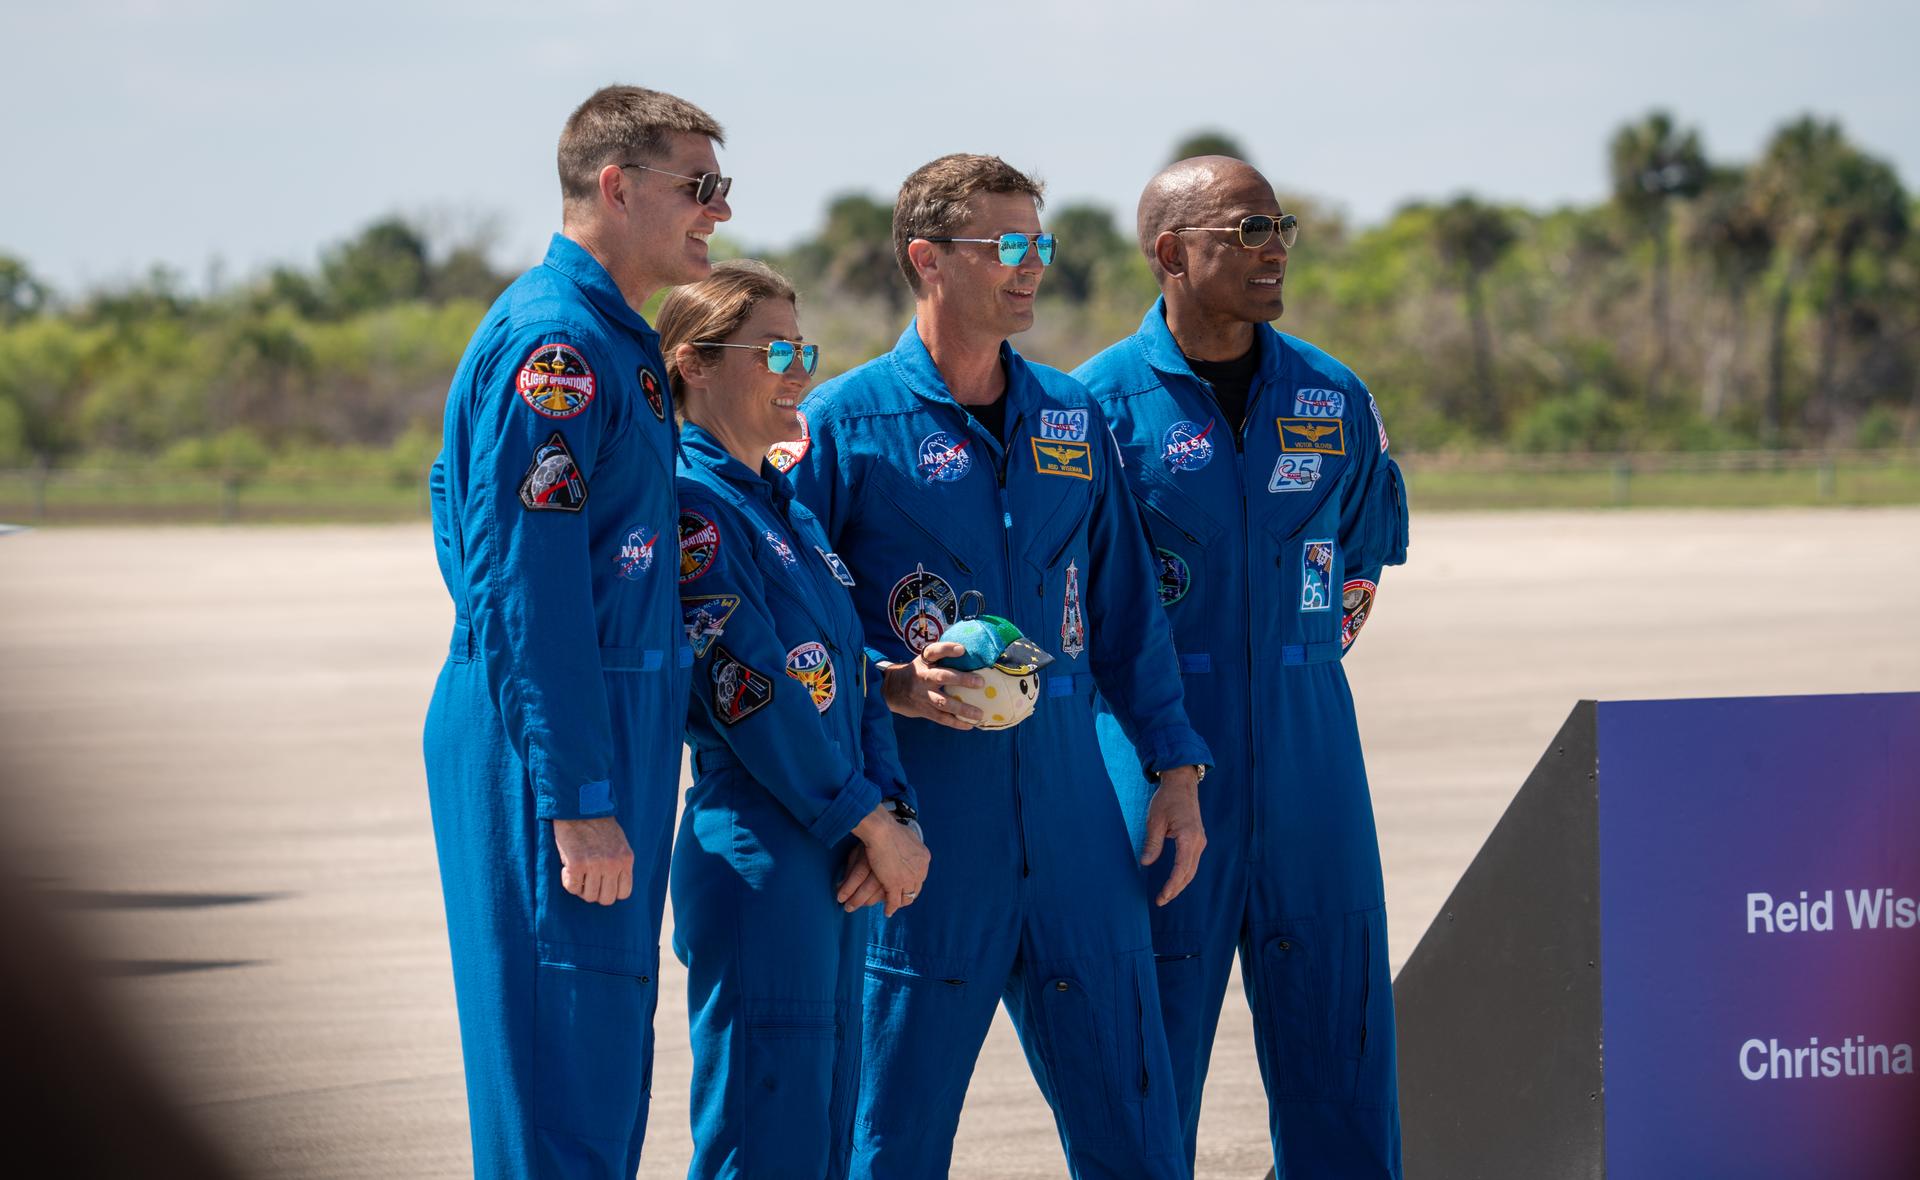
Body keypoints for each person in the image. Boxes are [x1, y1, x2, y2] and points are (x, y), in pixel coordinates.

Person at [785, 153, 1213, 1180]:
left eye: (1040, 242)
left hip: (1076, 830)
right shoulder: (841, 426)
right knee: (890, 1136)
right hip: (926, 836)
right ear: (927, 258)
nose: (1032, 267)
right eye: (1006, 244)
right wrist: (892, 689)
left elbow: (1127, 613)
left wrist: (1176, 767)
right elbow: (793, 629)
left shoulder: (1071, 415)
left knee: (1137, 1128)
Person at [1073, 156, 1410, 1178]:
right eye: (1248, 231)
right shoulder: (1090, 408)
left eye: (1281, 228)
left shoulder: (1332, 394)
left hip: (1314, 764)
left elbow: (1360, 561)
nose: (1275, 252)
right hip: (1157, 765)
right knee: (1147, 1060)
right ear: (1172, 252)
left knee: (1343, 1041)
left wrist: (1292, 668)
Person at [421, 84, 731, 1178]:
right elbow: (525, 585)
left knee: (594, 1057)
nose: (720, 211)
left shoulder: (611, 336)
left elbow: (457, 502)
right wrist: (576, 794)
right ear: (617, 186)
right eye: (700, 185)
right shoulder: (557, 345)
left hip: (598, 720)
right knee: (561, 1073)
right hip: (557, 742)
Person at [659, 261, 931, 1180]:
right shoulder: (694, 508)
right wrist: (871, 823)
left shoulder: (787, 512)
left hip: (834, 847)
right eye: (774, 352)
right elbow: (753, 691)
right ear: (695, 364)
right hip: (763, 846)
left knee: (821, 1135)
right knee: (764, 1139)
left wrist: (893, 812)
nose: (799, 372)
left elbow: (853, 679)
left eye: (803, 351)